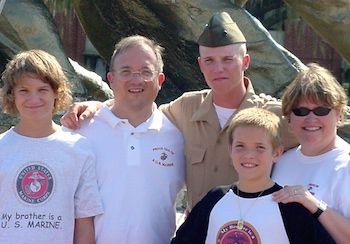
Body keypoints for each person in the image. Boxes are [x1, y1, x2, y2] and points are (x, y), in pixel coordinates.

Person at [61, 12, 297, 210]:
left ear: (245, 62)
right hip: (197, 237)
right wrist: (95, 108)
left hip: (253, 233)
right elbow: (136, 109)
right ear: (201, 65)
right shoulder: (186, 108)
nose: (219, 68)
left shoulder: (274, 116)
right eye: (210, 60)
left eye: (228, 59)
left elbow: (319, 140)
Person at [69, 35, 185, 244]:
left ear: (160, 80)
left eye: (145, 72)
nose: (136, 80)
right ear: (110, 79)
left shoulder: (178, 135)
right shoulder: (79, 130)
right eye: (126, 71)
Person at [169, 107, 339, 244]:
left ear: (277, 153)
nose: (249, 155)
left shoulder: (289, 206)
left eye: (260, 147)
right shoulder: (214, 199)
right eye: (240, 146)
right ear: (230, 149)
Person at [0, 50, 103, 244]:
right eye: (24, 90)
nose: (34, 98)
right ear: (11, 95)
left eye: (42, 89)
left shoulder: (79, 149)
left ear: (57, 92)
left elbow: (84, 221)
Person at [272, 63, 350, 244]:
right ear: (289, 118)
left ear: (338, 114)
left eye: (321, 110)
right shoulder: (280, 161)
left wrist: (314, 205)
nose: (311, 119)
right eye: (301, 111)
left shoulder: (346, 165)